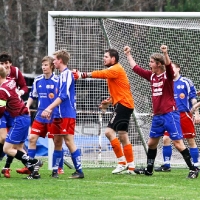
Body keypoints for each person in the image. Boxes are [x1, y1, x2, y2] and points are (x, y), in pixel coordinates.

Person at [124, 45, 198, 179]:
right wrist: (128, 54)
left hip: (170, 114)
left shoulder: (167, 76)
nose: (149, 64)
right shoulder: (152, 76)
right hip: (158, 116)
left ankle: (193, 169)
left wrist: (165, 53)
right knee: (152, 143)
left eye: (151, 62)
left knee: (178, 143)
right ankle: (149, 170)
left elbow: (169, 66)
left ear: (158, 64)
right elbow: (136, 68)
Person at [73, 48, 135, 174]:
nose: (104, 58)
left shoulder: (115, 68)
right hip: (125, 104)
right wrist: (110, 100)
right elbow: (121, 90)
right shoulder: (115, 71)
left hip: (123, 105)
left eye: (106, 56)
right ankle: (131, 167)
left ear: (113, 59)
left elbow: (101, 74)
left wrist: (82, 75)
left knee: (108, 132)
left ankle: (122, 162)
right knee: (123, 135)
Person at [15, 56, 65, 175]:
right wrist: (27, 107)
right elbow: (33, 96)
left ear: (52, 66)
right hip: (40, 116)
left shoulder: (58, 81)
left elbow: (61, 98)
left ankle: (58, 167)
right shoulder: (37, 80)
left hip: (54, 116)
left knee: (57, 142)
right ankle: (30, 166)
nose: (43, 67)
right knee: (32, 138)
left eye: (46, 65)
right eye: (42, 65)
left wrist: (53, 110)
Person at [41, 49, 84, 179]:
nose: (53, 62)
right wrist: (52, 110)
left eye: (54, 59)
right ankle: (55, 171)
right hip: (58, 114)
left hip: (66, 113)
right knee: (57, 141)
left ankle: (79, 171)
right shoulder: (61, 76)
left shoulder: (66, 74)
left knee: (69, 141)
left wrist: (48, 108)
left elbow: (63, 96)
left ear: (59, 60)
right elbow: (57, 97)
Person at [155, 63, 200, 172]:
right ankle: (166, 165)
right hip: (170, 116)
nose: (171, 70)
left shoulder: (186, 82)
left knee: (190, 140)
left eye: (173, 68)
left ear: (178, 68)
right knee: (166, 138)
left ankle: (196, 165)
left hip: (184, 115)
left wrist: (196, 113)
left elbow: (193, 98)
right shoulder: (166, 82)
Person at [0, 65, 42, 179]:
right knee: (19, 148)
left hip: (19, 118)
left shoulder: (2, 90)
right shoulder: (10, 81)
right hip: (25, 117)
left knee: (7, 149)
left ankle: (34, 161)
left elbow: (1, 109)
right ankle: (35, 172)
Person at [0, 52, 28, 178]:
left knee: (11, 142)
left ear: (10, 63)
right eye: (2, 64)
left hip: (13, 109)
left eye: (6, 63)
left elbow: (24, 87)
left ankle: (27, 163)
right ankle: (28, 163)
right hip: (3, 110)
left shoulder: (15, 72)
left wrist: (19, 93)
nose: (5, 66)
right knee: (3, 138)